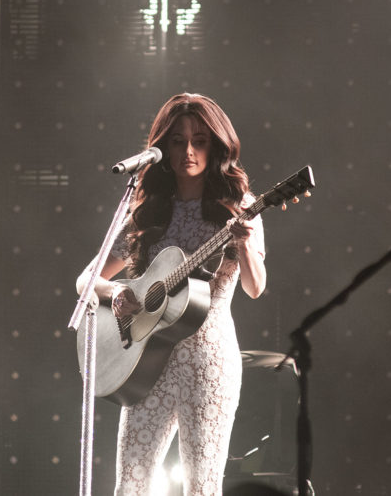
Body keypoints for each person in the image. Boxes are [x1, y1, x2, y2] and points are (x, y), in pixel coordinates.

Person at [76, 93, 267, 495]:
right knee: (130, 484)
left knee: (202, 486)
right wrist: (118, 294)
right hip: (148, 360)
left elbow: (255, 287)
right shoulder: (148, 211)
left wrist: (245, 243)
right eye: (177, 141)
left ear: (216, 144)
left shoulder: (239, 206)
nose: (189, 150)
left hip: (209, 362)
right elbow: (86, 280)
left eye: (199, 140)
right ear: (162, 147)